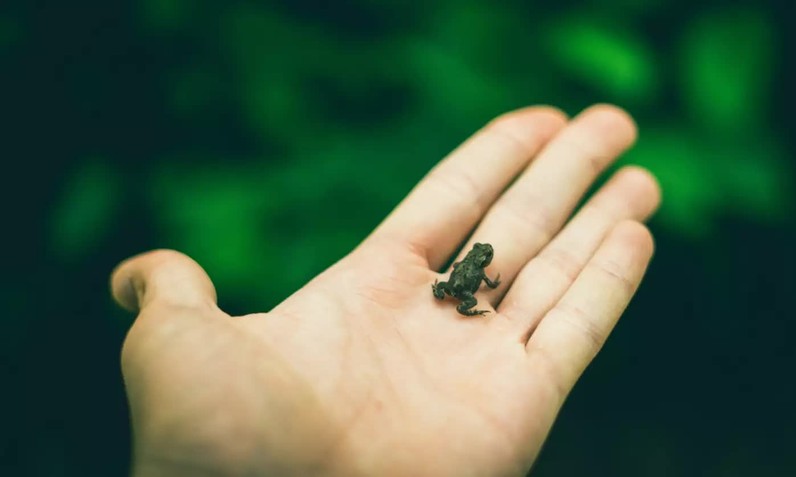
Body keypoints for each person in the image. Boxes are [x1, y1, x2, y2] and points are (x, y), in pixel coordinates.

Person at [111, 104, 662, 476]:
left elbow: (482, 275)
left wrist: (473, 289)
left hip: (455, 287)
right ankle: (465, 308)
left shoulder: (475, 265)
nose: (485, 256)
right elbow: (474, 277)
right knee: (457, 291)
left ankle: (464, 307)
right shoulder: (471, 266)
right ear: (478, 255)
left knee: (459, 289)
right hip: (453, 289)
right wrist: (470, 296)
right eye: (483, 254)